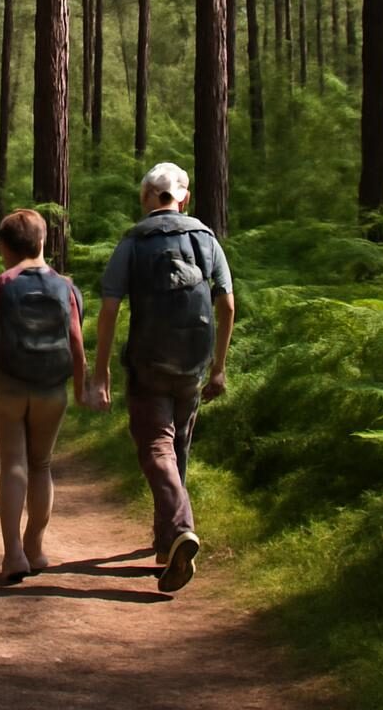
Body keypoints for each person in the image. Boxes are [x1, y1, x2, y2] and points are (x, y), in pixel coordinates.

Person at [89, 163, 234, 594]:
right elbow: (226, 305)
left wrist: (101, 374)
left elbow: (110, 308)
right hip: (194, 362)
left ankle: (179, 529)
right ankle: (166, 542)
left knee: (156, 446)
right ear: (182, 197)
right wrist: (219, 366)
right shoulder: (206, 239)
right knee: (179, 446)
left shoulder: (135, 241)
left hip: (149, 360)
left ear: (147, 197)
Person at [0, 209, 87, 582]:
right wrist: (81, 389)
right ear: (43, 242)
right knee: (42, 465)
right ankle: (35, 545)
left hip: (7, 388)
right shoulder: (65, 287)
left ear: (4, 247)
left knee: (13, 465)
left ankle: (13, 554)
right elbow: (77, 342)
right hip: (52, 390)